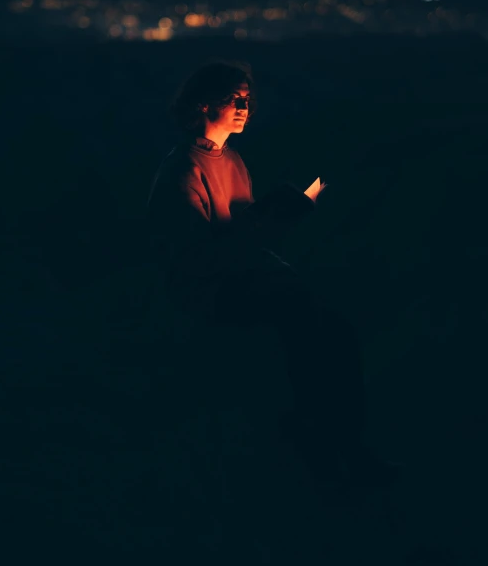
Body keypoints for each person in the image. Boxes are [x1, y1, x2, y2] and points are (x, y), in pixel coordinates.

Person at [146, 59, 399, 488]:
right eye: (233, 98)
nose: (244, 106)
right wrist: (259, 230)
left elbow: (246, 236)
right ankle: (317, 443)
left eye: (247, 99)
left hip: (245, 275)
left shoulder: (233, 161)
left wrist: (279, 220)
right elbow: (195, 260)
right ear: (203, 104)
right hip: (210, 291)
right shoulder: (184, 171)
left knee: (336, 326)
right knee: (305, 318)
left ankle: (346, 444)